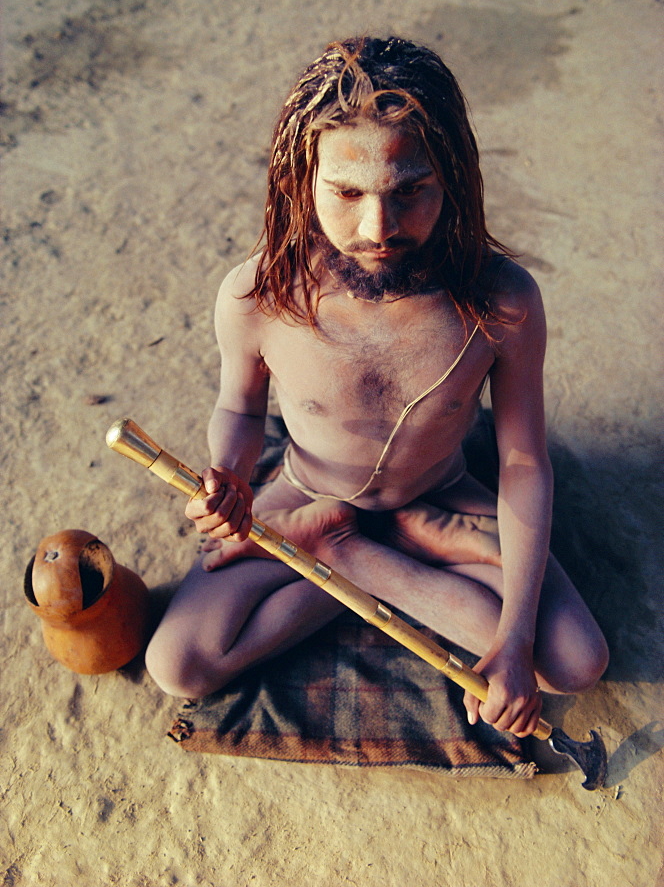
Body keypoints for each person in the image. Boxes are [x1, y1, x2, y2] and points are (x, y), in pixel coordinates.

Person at [145, 37, 608, 737]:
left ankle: (359, 544)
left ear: (450, 176)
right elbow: (239, 407)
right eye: (347, 193)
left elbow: (521, 460)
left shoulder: (502, 302)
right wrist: (235, 476)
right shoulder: (258, 294)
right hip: (303, 491)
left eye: (409, 190)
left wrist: (512, 641)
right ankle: (356, 538)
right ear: (303, 179)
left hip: (443, 489)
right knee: (181, 663)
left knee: (574, 663)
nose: (378, 228)